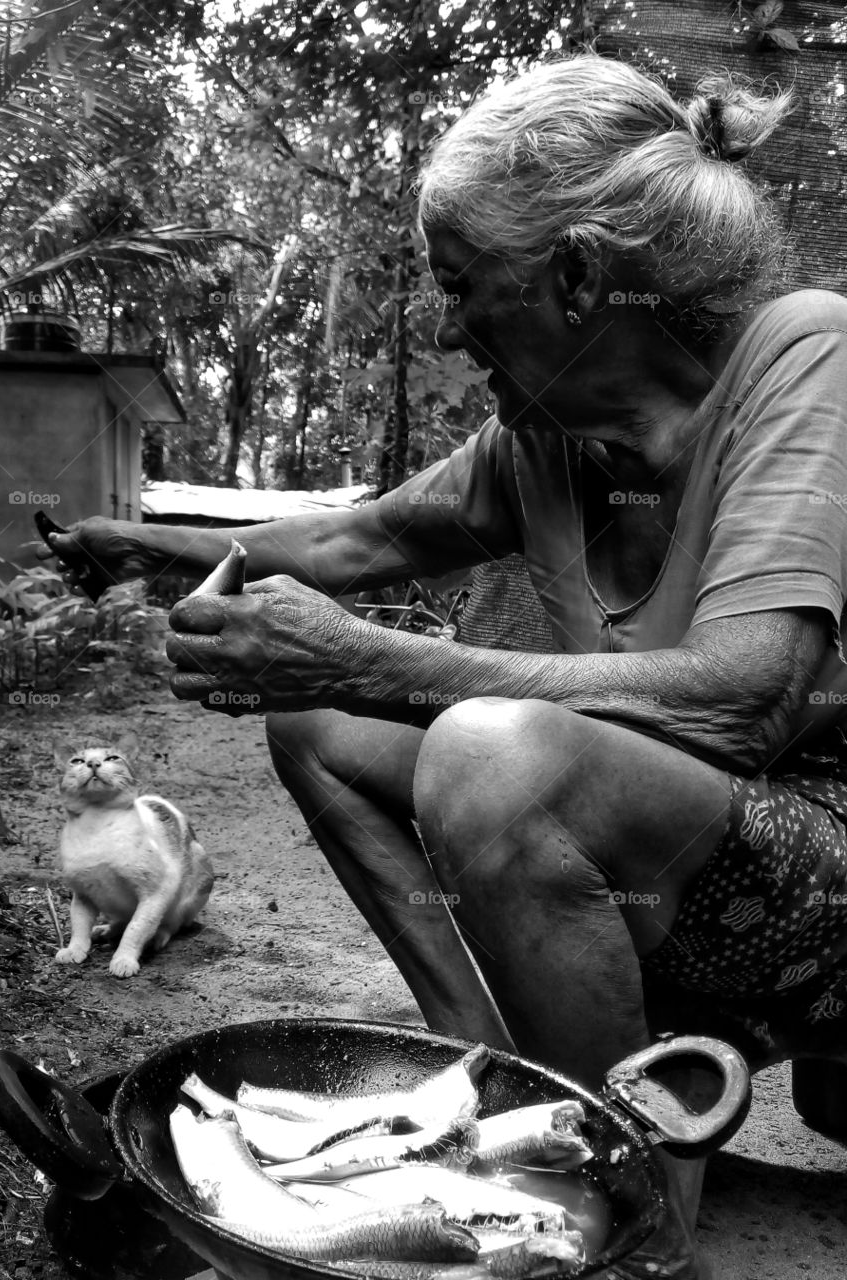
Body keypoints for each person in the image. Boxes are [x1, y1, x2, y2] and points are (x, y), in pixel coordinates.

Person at [42, 56, 847, 1280]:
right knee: (319, 712)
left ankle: (634, 1232)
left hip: (818, 882)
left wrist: (374, 654)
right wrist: (138, 545)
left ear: (576, 275)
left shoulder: (807, 355)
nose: (448, 322)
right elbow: (358, 535)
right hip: (674, 858)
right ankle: (488, 1089)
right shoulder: (543, 438)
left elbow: (748, 693)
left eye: (465, 286)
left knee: (489, 750)